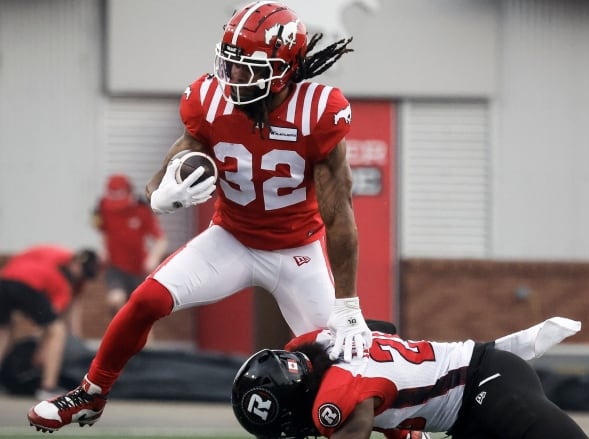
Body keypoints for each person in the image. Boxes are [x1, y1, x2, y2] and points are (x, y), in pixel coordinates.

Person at [28, 1, 372, 433]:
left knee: (344, 358)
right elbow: (181, 153)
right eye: (229, 65)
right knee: (146, 301)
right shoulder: (208, 99)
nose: (232, 79)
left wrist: (348, 303)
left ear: (283, 71)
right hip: (231, 238)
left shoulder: (316, 112)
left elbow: (339, 213)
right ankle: (91, 395)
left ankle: (402, 428)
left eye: (246, 69)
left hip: (296, 251)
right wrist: (160, 192)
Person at [230, 317, 588, 439]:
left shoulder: (335, 400)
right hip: (464, 417)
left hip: (486, 382)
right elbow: (385, 332)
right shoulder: (318, 341)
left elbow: (363, 408)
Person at [0, 245, 99, 400]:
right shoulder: (62, 285)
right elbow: (50, 323)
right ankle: (48, 387)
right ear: (76, 263)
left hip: (4, 280)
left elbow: (23, 257)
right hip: (28, 284)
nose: (81, 277)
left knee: (4, 330)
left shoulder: (53, 252)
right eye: (82, 272)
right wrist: (40, 349)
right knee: (57, 330)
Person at [92, 173, 168, 316]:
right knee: (116, 300)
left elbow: (161, 240)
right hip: (115, 268)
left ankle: (144, 337)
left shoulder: (141, 209)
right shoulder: (103, 208)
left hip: (139, 269)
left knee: (142, 313)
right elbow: (103, 232)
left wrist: (153, 258)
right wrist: (104, 251)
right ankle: (120, 334)